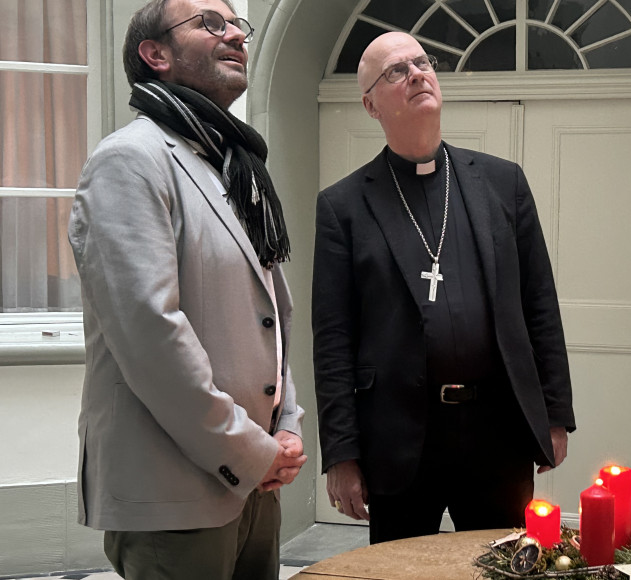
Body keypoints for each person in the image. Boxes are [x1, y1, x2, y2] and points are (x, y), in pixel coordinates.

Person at [68, 0, 306, 578]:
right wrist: (251, 453)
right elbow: (153, 336)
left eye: (237, 25)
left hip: (254, 485)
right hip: (173, 492)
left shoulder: (230, 165)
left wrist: (288, 425)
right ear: (156, 55)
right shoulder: (129, 161)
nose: (234, 36)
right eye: (209, 23)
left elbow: (268, 313)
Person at [313, 31, 576, 544]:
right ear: (370, 105)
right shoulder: (342, 207)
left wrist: (555, 413)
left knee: (502, 568)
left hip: (496, 431)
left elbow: (539, 304)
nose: (415, 73)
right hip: (398, 437)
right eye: (395, 70)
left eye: (422, 62)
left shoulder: (503, 183)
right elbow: (333, 339)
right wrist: (341, 452)